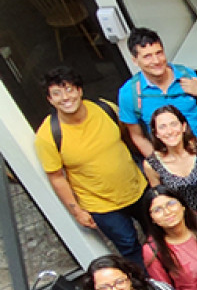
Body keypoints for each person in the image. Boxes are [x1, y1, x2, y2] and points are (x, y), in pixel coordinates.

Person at [34, 66, 149, 268]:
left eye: (69, 89)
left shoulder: (105, 108)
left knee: (158, 235)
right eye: (57, 93)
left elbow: (127, 136)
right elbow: (56, 177)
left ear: (79, 90)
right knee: (130, 247)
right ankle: (148, 284)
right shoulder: (48, 135)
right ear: (50, 100)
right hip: (101, 204)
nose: (65, 97)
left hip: (137, 188)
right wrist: (77, 211)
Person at [118, 27, 197, 156]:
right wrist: (160, 163)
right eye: (147, 56)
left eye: (159, 53)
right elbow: (138, 137)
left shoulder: (186, 74)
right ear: (135, 60)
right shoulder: (129, 93)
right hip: (173, 158)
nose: (156, 61)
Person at [144, 106, 197, 214]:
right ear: (156, 133)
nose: (170, 131)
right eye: (162, 127)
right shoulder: (152, 165)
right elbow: (161, 200)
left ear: (183, 126)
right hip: (186, 218)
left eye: (173, 124)